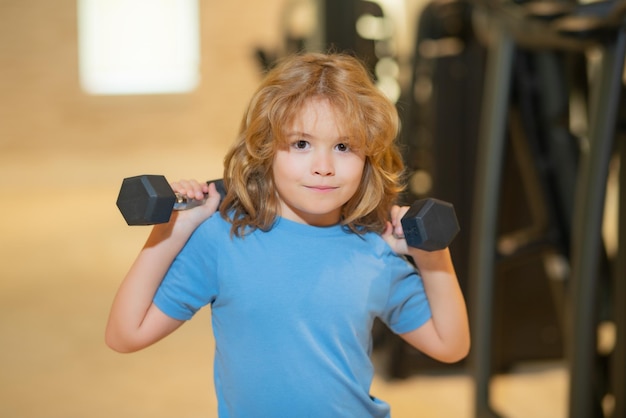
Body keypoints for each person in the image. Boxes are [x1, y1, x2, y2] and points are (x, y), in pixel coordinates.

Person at [105, 52, 470, 417]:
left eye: (343, 147)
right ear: (265, 150)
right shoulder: (222, 240)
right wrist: (172, 230)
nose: (323, 167)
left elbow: (451, 346)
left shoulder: (374, 250)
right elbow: (124, 335)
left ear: (368, 159)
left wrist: (432, 256)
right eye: (301, 144)